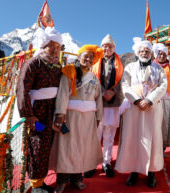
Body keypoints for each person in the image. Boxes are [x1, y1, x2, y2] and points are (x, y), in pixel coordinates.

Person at [50, 45, 104, 193]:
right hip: (71, 116)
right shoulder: (69, 71)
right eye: (85, 56)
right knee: (67, 148)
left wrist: (98, 116)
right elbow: (63, 93)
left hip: (88, 118)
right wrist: (60, 114)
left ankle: (77, 179)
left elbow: (98, 98)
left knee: (82, 148)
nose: (88, 59)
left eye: (91, 57)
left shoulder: (94, 77)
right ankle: (61, 181)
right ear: (79, 56)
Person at [115, 37, 167, 188]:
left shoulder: (159, 68)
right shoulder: (130, 67)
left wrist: (149, 100)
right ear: (137, 52)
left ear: (151, 53)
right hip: (134, 108)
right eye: (142, 51)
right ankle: (133, 171)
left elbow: (162, 87)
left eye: (147, 51)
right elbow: (125, 85)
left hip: (152, 108)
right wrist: (137, 101)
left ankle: (151, 173)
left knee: (153, 139)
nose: (144, 53)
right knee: (133, 138)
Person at [16, 27, 62, 193]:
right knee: (37, 143)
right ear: (44, 46)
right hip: (37, 114)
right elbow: (22, 90)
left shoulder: (57, 66)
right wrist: (29, 116)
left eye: (58, 47)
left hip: (51, 111)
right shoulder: (32, 64)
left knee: (47, 144)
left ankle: (41, 182)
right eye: (52, 46)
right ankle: (35, 184)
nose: (56, 50)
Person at [88, 34, 124, 178]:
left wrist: (113, 91)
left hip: (113, 102)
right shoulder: (95, 61)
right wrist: (103, 92)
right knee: (96, 134)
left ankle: (106, 163)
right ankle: (91, 163)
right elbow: (92, 79)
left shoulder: (121, 63)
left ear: (114, 48)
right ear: (101, 47)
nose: (106, 48)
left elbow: (123, 80)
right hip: (98, 101)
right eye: (104, 46)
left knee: (109, 134)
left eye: (109, 46)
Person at [152, 43, 170, 149]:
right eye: (159, 54)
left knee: (164, 128)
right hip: (153, 101)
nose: (161, 56)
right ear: (156, 54)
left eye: (164, 54)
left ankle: (162, 151)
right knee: (154, 127)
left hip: (167, 102)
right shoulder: (151, 67)